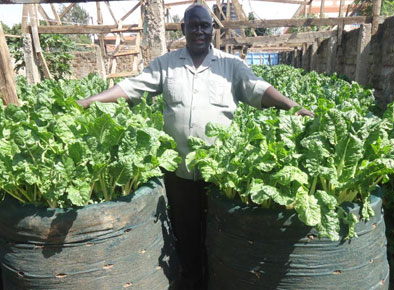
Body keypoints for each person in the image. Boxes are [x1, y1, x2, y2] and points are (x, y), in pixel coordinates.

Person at [78, 4, 313, 290]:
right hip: (179, 171)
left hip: (221, 174)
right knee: (184, 233)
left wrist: (292, 106)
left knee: (220, 234)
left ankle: (218, 280)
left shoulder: (231, 66)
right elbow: (132, 87)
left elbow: (259, 89)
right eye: (194, 25)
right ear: (183, 29)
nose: (200, 30)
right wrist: (88, 102)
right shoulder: (167, 64)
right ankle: (191, 280)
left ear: (213, 29)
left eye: (205, 25)